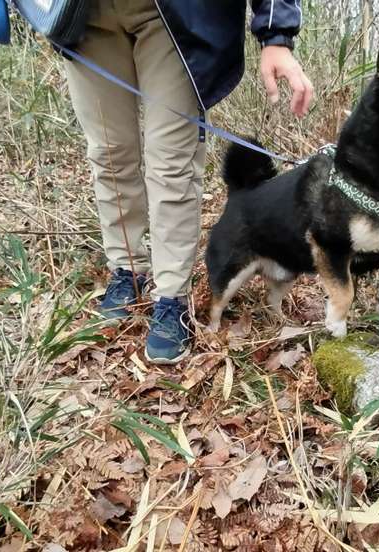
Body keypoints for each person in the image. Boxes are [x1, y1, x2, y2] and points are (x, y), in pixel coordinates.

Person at [64, 1, 313, 364]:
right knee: (109, 154)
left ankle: (171, 298)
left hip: (175, 16)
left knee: (171, 162)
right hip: (81, 14)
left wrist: (276, 34)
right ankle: (127, 270)